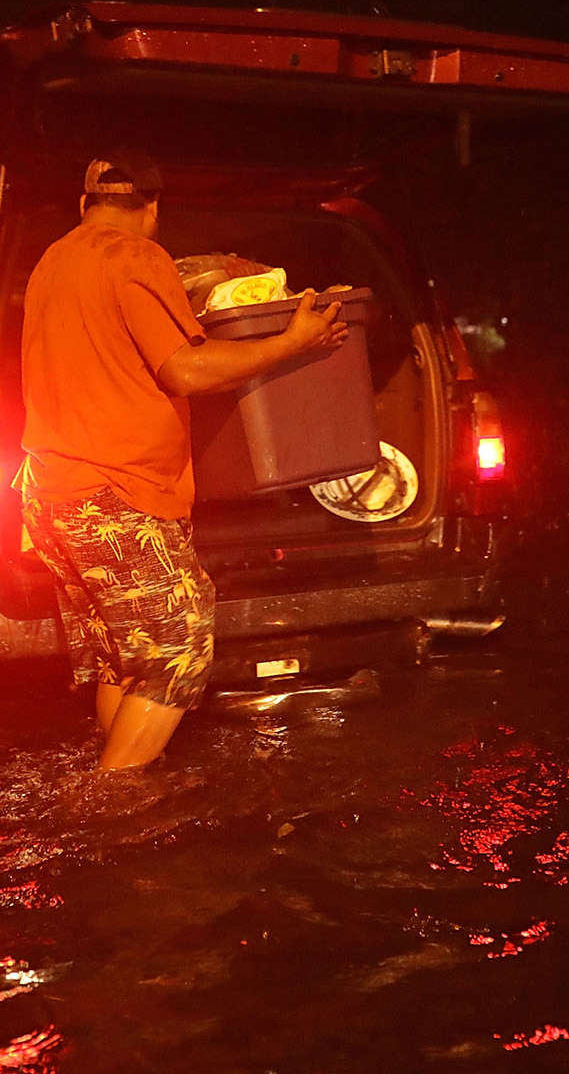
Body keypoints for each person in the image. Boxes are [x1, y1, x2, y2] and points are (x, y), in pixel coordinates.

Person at [18, 151, 348, 770]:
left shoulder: (54, 260)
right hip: (114, 494)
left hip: (52, 492)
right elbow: (187, 369)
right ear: (153, 209)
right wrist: (292, 342)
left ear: (84, 205)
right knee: (177, 645)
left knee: (130, 652)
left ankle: (120, 778)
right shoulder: (136, 256)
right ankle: (111, 803)